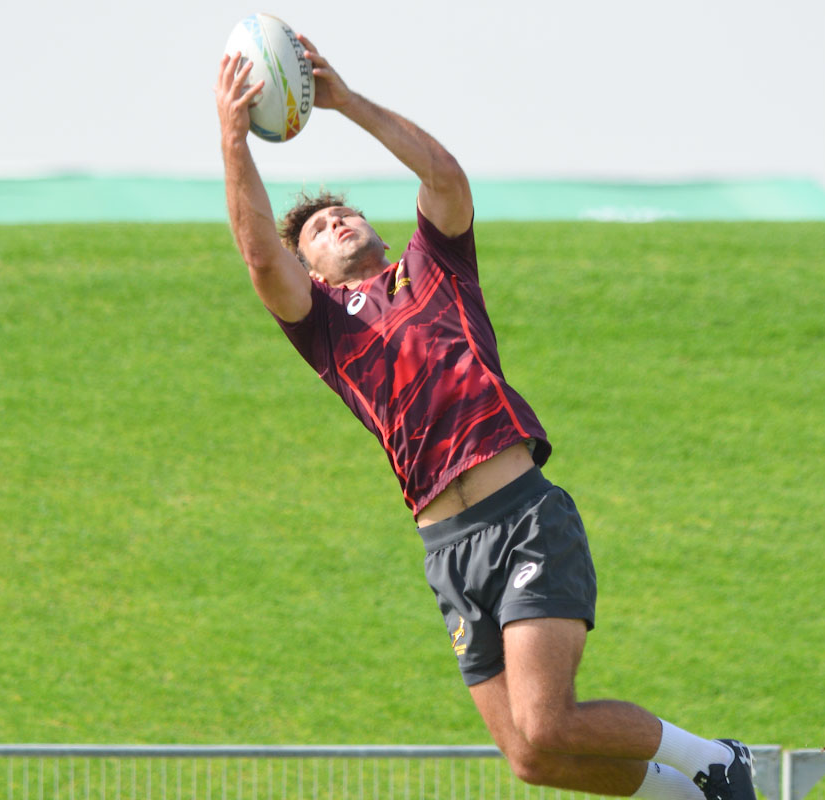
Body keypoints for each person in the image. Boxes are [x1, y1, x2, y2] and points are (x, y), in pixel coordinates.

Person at [214, 35, 758, 800]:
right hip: (449, 551)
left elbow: (443, 176)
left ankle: (716, 761)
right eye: (319, 228)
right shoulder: (325, 328)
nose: (339, 221)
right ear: (309, 268)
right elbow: (259, 259)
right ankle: (695, 796)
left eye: (347, 211)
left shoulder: (435, 268)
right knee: (531, 757)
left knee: (549, 723)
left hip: (524, 515)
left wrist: (347, 102)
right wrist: (234, 140)